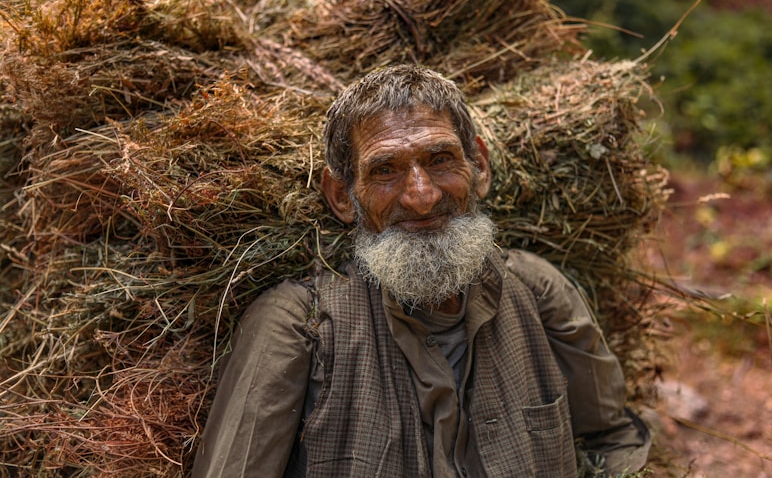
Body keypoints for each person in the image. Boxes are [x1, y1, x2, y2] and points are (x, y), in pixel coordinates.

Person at [192, 64, 651, 477]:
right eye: (386, 170)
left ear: (481, 167)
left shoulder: (537, 293)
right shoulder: (298, 326)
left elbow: (611, 443)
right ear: (340, 197)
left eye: (440, 160)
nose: (422, 196)